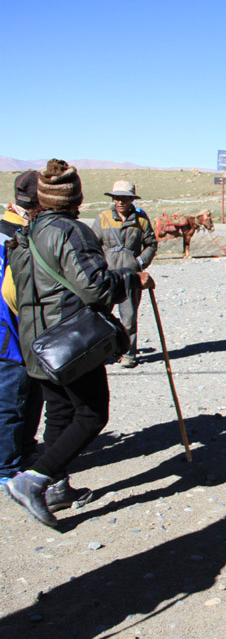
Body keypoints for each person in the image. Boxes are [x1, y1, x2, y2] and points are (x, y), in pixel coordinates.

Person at [4, 160, 153, 527]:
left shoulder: (28, 232)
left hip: (35, 341)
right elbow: (97, 286)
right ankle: (33, 481)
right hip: (68, 341)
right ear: (77, 197)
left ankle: (56, 486)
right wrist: (132, 279)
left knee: (60, 413)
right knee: (92, 414)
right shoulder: (72, 231)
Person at [0, 171, 43, 486]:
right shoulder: (17, 237)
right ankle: (5, 467)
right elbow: (12, 293)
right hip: (11, 334)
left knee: (31, 396)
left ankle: (24, 449)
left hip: (19, 332)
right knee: (12, 401)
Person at [92, 180, 157, 367]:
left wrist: (140, 262)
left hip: (131, 275)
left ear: (131, 200)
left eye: (125, 198)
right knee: (101, 314)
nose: (120, 201)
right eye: (117, 198)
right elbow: (93, 245)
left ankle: (128, 353)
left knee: (129, 316)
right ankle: (100, 351)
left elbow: (151, 244)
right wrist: (98, 265)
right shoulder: (103, 218)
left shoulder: (141, 220)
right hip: (106, 274)